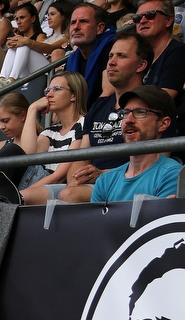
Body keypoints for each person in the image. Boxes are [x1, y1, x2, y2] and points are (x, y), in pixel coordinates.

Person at [60, 32, 153, 203]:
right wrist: (74, 181)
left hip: (128, 183)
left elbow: (155, 161)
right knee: (26, 197)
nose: (111, 61)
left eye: (121, 56)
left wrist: (102, 175)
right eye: (110, 56)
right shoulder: (99, 105)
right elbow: (82, 155)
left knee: (67, 197)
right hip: (90, 183)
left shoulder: (151, 103)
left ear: (141, 65)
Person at [91, 86, 182, 202]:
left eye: (140, 112)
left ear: (163, 124)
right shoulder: (105, 180)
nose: (128, 119)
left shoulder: (172, 174)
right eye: (125, 112)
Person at [20, 71, 88, 205]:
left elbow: (59, 176)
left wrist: (19, 194)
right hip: (40, 185)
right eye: (48, 90)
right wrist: (32, 109)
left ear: (73, 95)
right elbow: (27, 154)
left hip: (64, 188)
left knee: (18, 198)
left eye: (57, 89)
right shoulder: (51, 131)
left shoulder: (83, 124)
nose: (49, 95)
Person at [0, 3, 53, 91]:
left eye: (22, 17)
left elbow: (48, 50)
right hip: (26, 74)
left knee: (23, 44)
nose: (18, 22)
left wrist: (27, 42)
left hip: (43, 71)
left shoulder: (40, 36)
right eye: (16, 19)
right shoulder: (19, 38)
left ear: (33, 18)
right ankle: (2, 79)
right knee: (14, 47)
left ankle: (11, 80)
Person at [136, 0, 185, 100]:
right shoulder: (142, 56)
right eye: (138, 17)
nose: (142, 20)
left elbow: (161, 102)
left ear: (168, 20)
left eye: (150, 15)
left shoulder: (180, 53)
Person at [64, 3, 116, 103]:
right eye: (73, 22)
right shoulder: (71, 60)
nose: (76, 27)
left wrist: (85, 118)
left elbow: (108, 94)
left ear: (99, 28)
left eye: (83, 22)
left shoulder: (112, 48)